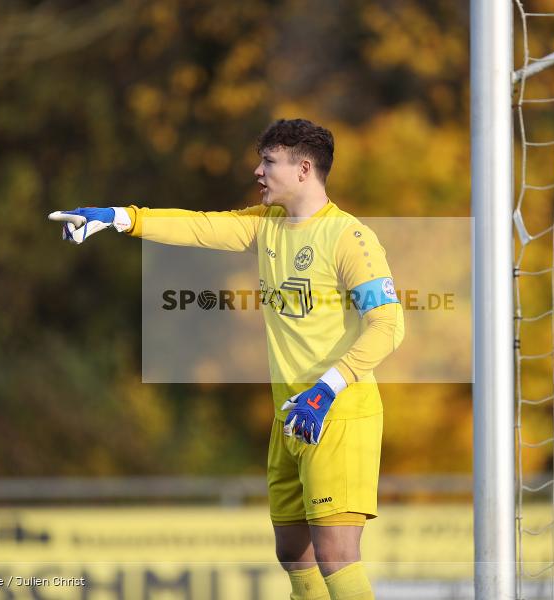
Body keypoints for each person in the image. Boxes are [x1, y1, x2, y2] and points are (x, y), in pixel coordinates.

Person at [49, 118, 404, 600]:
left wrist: (326, 389)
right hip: (292, 414)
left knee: (336, 555)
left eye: (268, 162)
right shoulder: (268, 226)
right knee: (293, 553)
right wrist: (119, 216)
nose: (258, 171)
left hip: (338, 411)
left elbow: (388, 326)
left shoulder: (349, 238)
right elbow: (199, 225)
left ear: (304, 169)